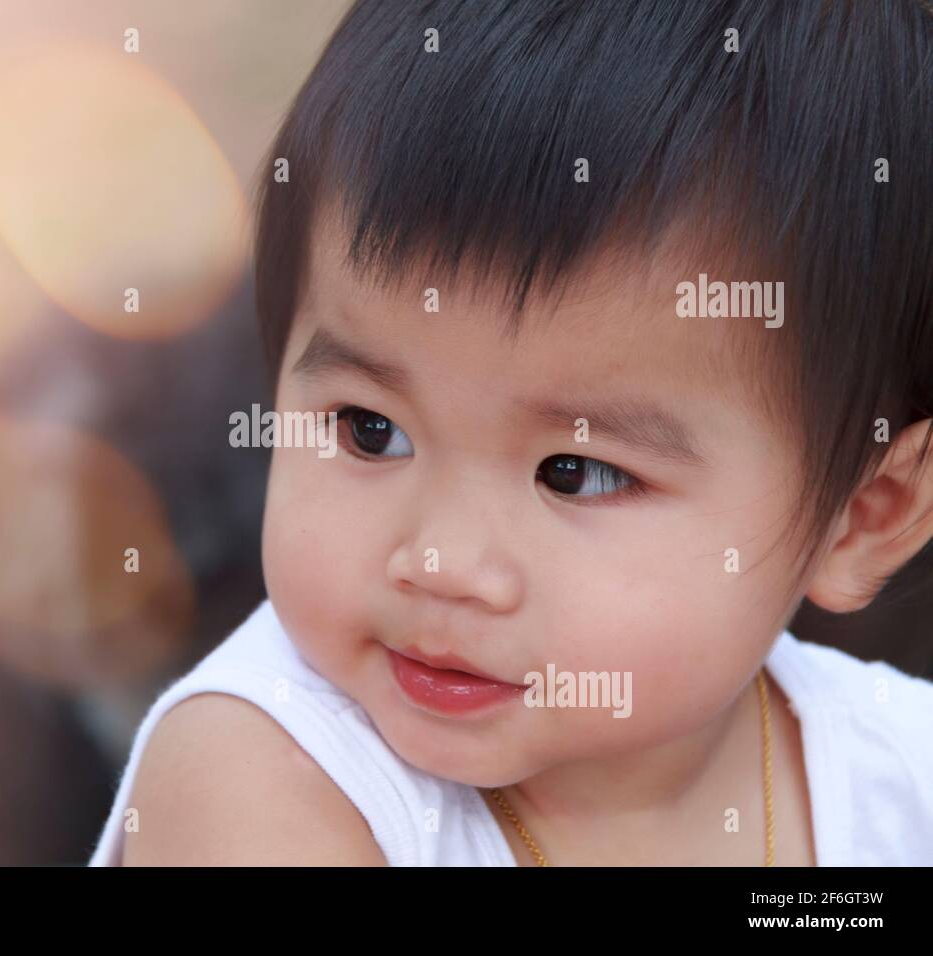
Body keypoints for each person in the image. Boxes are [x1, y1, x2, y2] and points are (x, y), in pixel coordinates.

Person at [90, 0, 933, 866]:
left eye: (576, 472)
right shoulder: (263, 777)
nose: (443, 564)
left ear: (865, 512)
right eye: (370, 430)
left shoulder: (899, 774)